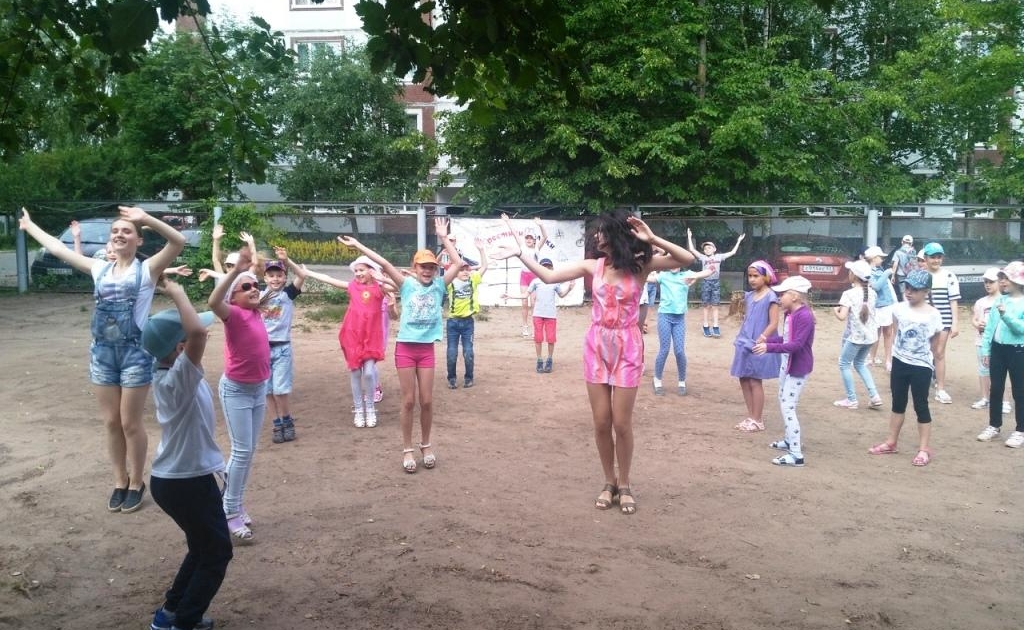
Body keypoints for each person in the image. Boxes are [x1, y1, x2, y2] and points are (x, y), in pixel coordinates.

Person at [495, 210, 695, 516]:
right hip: (597, 345)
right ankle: (609, 481)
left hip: (628, 346)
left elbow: (687, 259)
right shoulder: (593, 265)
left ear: (615, 235)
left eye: (601, 232)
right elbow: (548, 277)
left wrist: (651, 238)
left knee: (621, 423)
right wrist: (522, 253)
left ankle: (625, 483)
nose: (596, 237)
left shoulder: (641, 265)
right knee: (601, 421)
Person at [19, 206, 185, 513]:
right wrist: (30, 227)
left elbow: (177, 243)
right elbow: (57, 247)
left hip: (135, 355)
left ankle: (137, 482)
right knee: (111, 422)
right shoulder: (100, 269)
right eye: (116, 231)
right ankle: (119, 481)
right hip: (102, 355)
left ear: (137, 240)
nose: (120, 235)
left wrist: (145, 219)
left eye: (126, 231)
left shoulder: (147, 270)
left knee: (129, 423)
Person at [340, 218, 462, 471]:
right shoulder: (406, 285)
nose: (427, 271)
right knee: (408, 401)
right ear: (414, 267)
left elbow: (459, 263)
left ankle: (426, 444)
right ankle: (407, 449)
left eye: (431, 267)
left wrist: (444, 238)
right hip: (406, 349)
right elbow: (383, 262)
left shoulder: (440, 286)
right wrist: (359, 245)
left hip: (426, 350)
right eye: (423, 267)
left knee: (427, 401)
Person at [142, 280, 230, 630]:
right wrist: (177, 291)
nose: (204, 335)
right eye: (189, 341)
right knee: (217, 553)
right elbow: (198, 333)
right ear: (180, 348)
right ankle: (185, 622)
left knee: (202, 547)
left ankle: (171, 614)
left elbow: (195, 332)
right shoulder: (179, 377)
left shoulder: (170, 373)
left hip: (177, 479)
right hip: (186, 482)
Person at [207, 234, 269, 541]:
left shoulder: (256, 311)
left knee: (249, 451)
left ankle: (236, 503)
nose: (254, 288)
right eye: (246, 287)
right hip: (236, 390)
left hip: (259, 389)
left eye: (255, 285)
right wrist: (234, 272)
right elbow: (212, 301)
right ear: (234, 296)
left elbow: (263, 278)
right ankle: (229, 511)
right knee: (241, 451)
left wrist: (250, 268)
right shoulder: (232, 315)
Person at [303, 254, 388, 428]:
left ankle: (370, 408)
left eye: (362, 270)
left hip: (371, 335)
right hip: (352, 335)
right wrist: (309, 272)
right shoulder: (352, 287)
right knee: (355, 372)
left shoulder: (380, 289)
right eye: (356, 270)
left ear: (371, 271)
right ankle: (359, 410)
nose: (358, 273)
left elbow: (398, 286)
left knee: (370, 372)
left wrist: (382, 278)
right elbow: (329, 279)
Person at [868, 269, 942, 466]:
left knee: (921, 405)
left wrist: (932, 364)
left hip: (921, 366)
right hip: (900, 362)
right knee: (897, 402)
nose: (909, 292)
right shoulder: (898, 309)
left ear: (926, 291)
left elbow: (935, 345)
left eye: (915, 289)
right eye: (907, 287)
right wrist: (891, 359)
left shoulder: (934, 314)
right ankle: (891, 442)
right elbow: (893, 332)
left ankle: (924, 449)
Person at [753, 276, 815, 467]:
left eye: (783, 294)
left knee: (788, 406)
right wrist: (767, 341)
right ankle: (789, 440)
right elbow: (786, 339)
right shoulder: (790, 314)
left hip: (797, 367)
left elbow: (796, 345)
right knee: (784, 400)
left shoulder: (804, 316)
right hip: (787, 365)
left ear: (795, 296)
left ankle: (796, 455)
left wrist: (768, 348)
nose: (779, 297)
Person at [261, 248, 306, 443]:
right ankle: (276, 424)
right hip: (262, 350)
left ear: (284, 277)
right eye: (271, 276)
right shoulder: (259, 296)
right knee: (267, 390)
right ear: (264, 278)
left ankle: (287, 421)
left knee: (280, 389)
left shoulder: (287, 294)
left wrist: (287, 260)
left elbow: (302, 275)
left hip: (282, 348)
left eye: (279, 275)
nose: (275, 279)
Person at [730, 261, 782, 432]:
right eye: (750, 276)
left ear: (766, 277)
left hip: (759, 344)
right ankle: (751, 416)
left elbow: (774, 323)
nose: (752, 279)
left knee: (754, 380)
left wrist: (762, 338)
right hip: (744, 342)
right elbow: (747, 319)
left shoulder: (771, 297)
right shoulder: (749, 296)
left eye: (756, 276)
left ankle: (758, 419)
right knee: (743, 378)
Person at [977, 262, 1024, 448]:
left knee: (1020, 391)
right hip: (997, 349)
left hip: (1018, 350)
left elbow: (1021, 329)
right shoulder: (999, 301)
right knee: (995, 389)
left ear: (1018, 281)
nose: (1002, 282)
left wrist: (1006, 315)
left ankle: (1020, 430)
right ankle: (994, 425)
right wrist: (986, 350)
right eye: (1002, 278)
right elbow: (989, 328)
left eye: (1006, 278)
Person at [651, 261, 712, 396]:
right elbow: (647, 277)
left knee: (679, 351)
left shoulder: (687, 275)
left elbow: (706, 272)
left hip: (679, 319)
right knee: (664, 349)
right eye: (672, 261)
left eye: (677, 262)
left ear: (681, 264)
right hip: (664, 316)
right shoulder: (663, 276)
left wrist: (705, 272)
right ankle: (657, 380)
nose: (674, 265)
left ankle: (682, 381)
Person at [832, 259, 883, 410]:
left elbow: (842, 316)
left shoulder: (849, 294)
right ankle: (874, 396)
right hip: (870, 337)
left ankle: (851, 399)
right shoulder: (872, 293)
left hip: (856, 337)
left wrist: (835, 310)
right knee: (860, 363)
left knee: (844, 363)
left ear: (853, 275)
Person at [686, 228, 745, 338]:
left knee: (715, 305)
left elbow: (733, 252)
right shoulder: (703, 258)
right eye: (705, 248)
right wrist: (689, 236)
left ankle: (716, 326)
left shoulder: (719, 257)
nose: (706, 249)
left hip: (716, 283)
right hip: (706, 282)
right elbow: (692, 250)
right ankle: (705, 325)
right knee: (706, 305)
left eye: (709, 247)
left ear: (714, 249)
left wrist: (739, 241)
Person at [446, 237, 489, 388]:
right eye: (461, 269)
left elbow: (484, 266)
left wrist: (481, 250)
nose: (464, 272)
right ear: (455, 271)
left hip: (467, 323)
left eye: (467, 269)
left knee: (468, 352)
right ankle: (451, 378)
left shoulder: (474, 279)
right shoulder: (450, 282)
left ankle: (468, 377)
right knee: (452, 353)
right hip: (452, 322)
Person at [921, 242, 960, 404]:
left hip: (943, 320)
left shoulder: (949, 276)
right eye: (933, 257)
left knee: (939, 353)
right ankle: (923, 382)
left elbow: (953, 301)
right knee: (924, 352)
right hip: (924, 321)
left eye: (939, 257)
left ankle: (941, 388)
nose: (936, 260)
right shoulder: (921, 275)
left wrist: (955, 323)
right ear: (925, 258)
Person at [526, 258, 575, 373]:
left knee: (551, 339)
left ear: (552, 268)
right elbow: (526, 294)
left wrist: (569, 288)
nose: (546, 269)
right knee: (538, 338)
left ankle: (549, 359)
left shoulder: (555, 282)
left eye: (549, 267)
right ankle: (539, 360)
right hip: (538, 314)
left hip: (551, 315)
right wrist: (510, 297)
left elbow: (561, 295)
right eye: (544, 267)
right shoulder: (535, 281)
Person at [971, 268, 1008, 413]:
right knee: (983, 370)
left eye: (991, 282)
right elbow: (975, 318)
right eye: (985, 282)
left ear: (999, 282)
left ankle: (1004, 401)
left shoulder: (1005, 300)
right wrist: (977, 324)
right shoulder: (980, 302)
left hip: (1000, 341)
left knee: (1000, 371)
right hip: (982, 340)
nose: (987, 285)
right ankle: (985, 398)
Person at [863, 246, 897, 371]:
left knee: (888, 333)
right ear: (873, 258)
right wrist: (887, 273)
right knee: (875, 333)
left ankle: (888, 360)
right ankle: (871, 358)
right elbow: (876, 286)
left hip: (887, 305)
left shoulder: (878, 269)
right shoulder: (868, 271)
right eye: (880, 257)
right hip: (876, 306)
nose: (882, 259)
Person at [516, 217, 549, 337]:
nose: (528, 240)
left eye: (531, 238)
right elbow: (515, 234)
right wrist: (508, 222)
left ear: (534, 240)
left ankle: (536, 328)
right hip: (524, 276)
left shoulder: (537, 248)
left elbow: (545, 237)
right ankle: (525, 327)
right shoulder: (522, 247)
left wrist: (541, 225)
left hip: (535, 277)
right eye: (527, 238)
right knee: (524, 302)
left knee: (534, 304)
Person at [891, 235, 917, 301]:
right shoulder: (913, 252)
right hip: (912, 274)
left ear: (902, 242)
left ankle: (905, 305)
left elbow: (895, 264)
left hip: (901, 275)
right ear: (911, 243)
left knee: (903, 292)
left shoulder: (898, 252)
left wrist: (893, 276)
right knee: (911, 290)